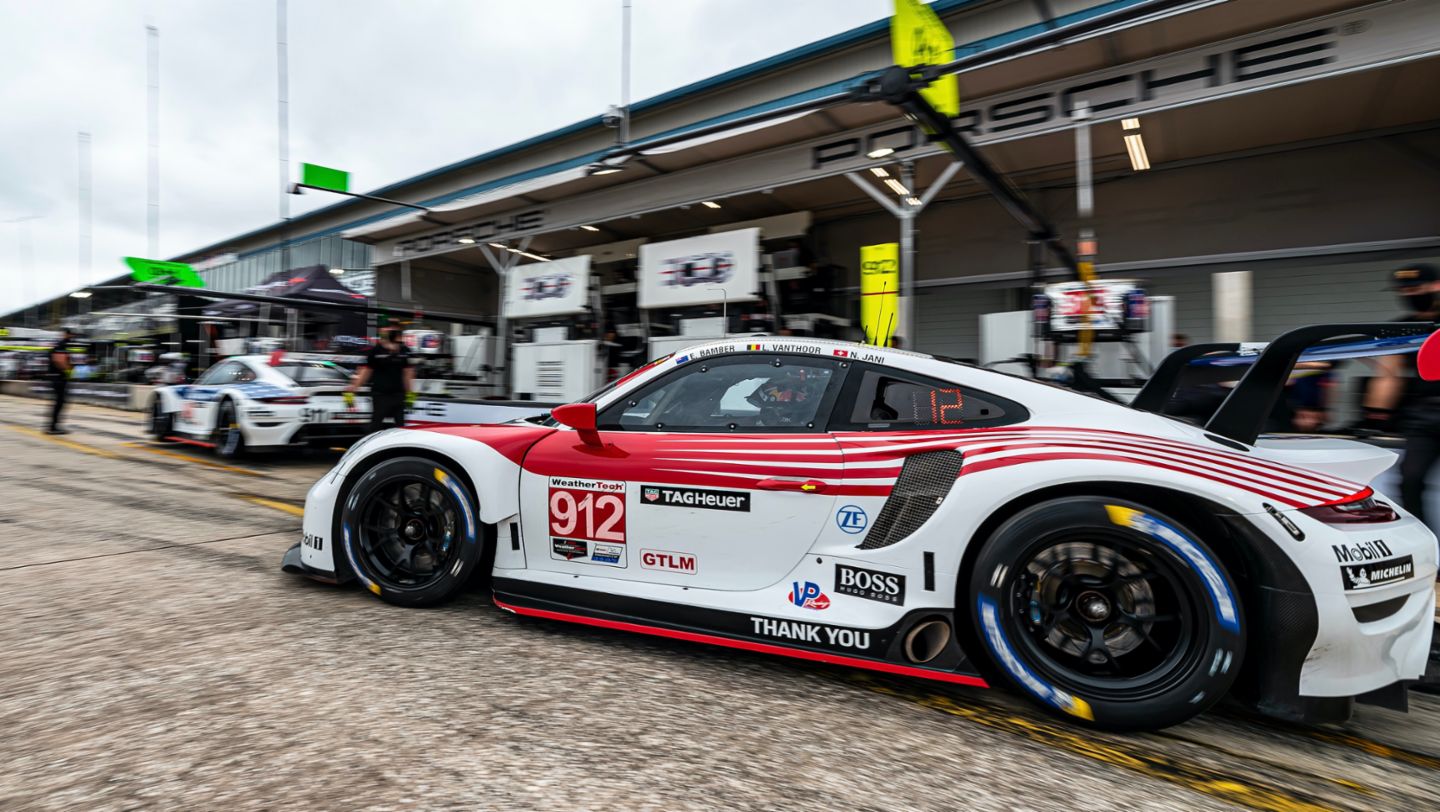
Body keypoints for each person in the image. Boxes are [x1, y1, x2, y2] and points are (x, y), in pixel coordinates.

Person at [1357, 263, 1440, 527]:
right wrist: (1374, 417)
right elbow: (1388, 375)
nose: (1408, 295)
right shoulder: (1401, 329)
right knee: (1410, 479)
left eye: (1414, 288)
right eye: (1403, 290)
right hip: (1423, 416)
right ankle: (1426, 542)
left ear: (1436, 286)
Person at [347, 328, 415, 433]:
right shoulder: (375, 351)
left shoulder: (405, 351)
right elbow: (367, 371)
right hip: (380, 394)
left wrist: (410, 396)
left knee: (401, 427)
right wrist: (355, 388)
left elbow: (408, 374)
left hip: (398, 395)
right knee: (376, 425)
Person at [46, 328, 75, 434]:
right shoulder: (61, 344)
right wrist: (69, 371)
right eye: (71, 335)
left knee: (59, 402)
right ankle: (52, 427)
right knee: (60, 402)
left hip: (57, 377)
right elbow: (59, 360)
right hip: (58, 377)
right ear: (66, 334)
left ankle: (53, 426)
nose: (72, 337)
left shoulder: (60, 344)